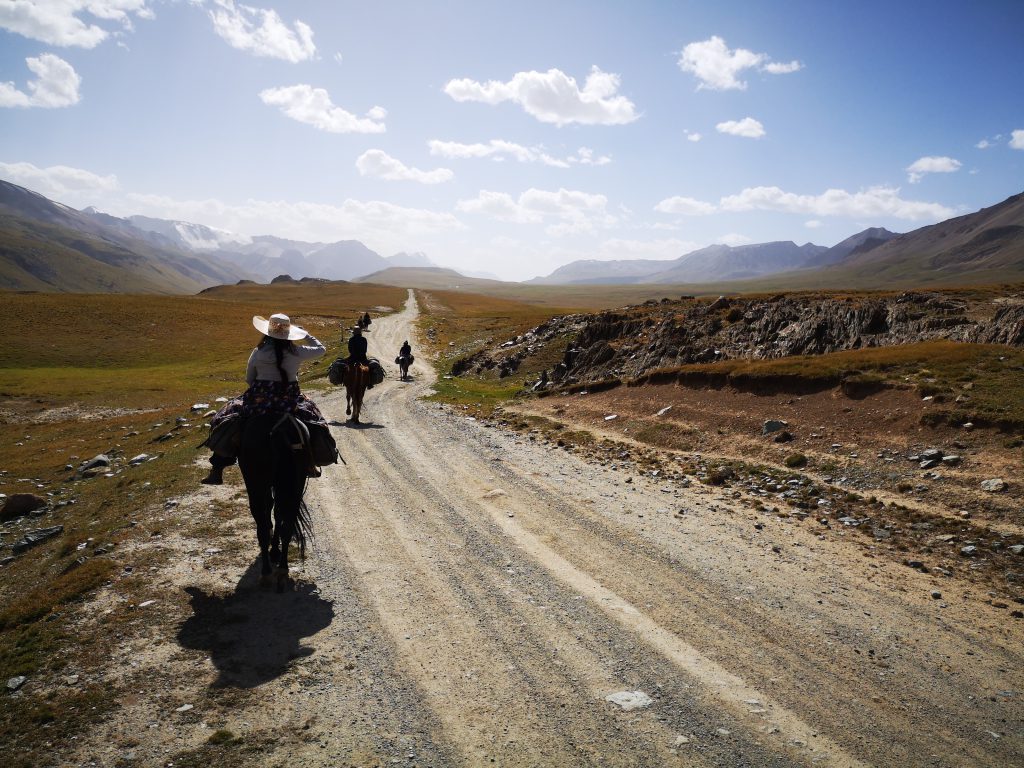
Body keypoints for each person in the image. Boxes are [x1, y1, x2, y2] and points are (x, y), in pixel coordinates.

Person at [201, 313, 326, 485]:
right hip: (288, 402)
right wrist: (306, 335)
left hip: (258, 402)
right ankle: (311, 461)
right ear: (289, 334)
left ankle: (217, 469)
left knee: (227, 416)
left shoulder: (258, 352)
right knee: (313, 416)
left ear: (267, 332)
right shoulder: (297, 352)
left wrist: (262, 391)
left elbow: (249, 379)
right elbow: (321, 349)